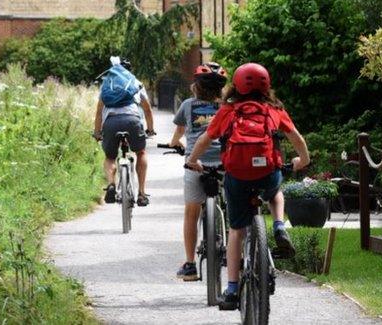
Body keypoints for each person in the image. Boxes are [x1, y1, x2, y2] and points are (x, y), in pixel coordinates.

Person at [186, 63, 310, 311]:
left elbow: (205, 138)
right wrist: (303, 160)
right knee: (275, 191)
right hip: (266, 173)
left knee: (236, 231)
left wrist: (192, 160)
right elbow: (295, 136)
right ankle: (278, 225)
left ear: (236, 85)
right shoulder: (274, 109)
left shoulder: (228, 110)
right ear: (267, 85)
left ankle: (232, 289)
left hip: (238, 176)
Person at [170, 62, 227, 281]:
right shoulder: (226, 107)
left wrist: (176, 144)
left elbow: (178, 133)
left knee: (191, 212)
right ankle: (236, 256)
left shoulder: (187, 105)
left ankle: (190, 264)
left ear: (196, 86)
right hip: (225, 164)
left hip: (196, 164)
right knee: (233, 206)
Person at [93, 57, 156, 207]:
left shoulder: (107, 84)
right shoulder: (135, 83)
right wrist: (151, 129)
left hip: (111, 123)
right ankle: (141, 193)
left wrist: (97, 132)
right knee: (140, 153)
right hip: (132, 121)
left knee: (110, 157)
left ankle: (110, 185)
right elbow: (147, 109)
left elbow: (99, 112)